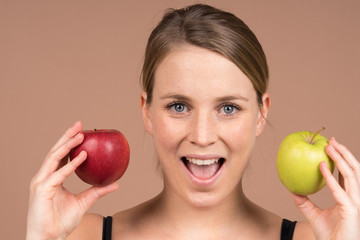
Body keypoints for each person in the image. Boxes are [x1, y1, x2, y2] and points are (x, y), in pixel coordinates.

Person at [26, 4, 360, 240]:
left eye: (228, 108)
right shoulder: (82, 236)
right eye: (179, 106)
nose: (202, 136)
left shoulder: (316, 239)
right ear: (147, 111)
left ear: (261, 113)